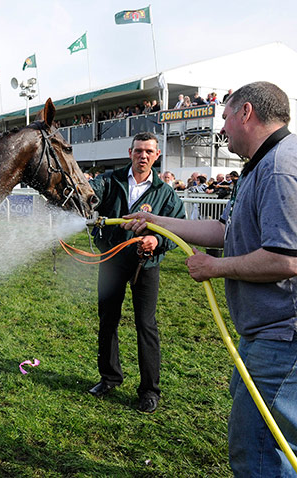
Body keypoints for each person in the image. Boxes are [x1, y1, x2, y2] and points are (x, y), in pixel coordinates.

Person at [121, 81, 297, 477]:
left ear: (246, 113)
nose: (223, 129)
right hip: (263, 333)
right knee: (263, 437)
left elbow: (286, 260)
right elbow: (224, 231)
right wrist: (155, 221)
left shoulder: (281, 167)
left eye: (226, 118)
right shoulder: (259, 166)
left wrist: (216, 268)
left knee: (258, 450)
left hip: (283, 336)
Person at [86, 131, 186, 413]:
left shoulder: (165, 193)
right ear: (130, 153)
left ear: (156, 156)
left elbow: (178, 225)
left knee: (146, 325)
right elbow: (91, 194)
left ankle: (149, 391)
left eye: (148, 152)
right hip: (112, 261)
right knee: (107, 319)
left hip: (146, 266)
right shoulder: (110, 180)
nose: (143, 155)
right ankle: (109, 377)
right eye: (138, 150)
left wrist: (158, 241)